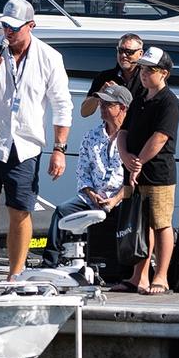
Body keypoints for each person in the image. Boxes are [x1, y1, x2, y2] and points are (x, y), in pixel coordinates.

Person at [0, 0, 72, 279]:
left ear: (31, 26)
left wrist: (59, 149)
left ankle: (16, 271)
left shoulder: (49, 57)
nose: (7, 32)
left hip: (25, 143)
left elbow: (62, 105)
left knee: (19, 208)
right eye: (4, 26)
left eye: (13, 27)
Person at [42, 83, 129, 267]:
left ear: (122, 108)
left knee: (129, 216)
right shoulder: (91, 136)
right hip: (92, 197)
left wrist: (114, 200)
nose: (102, 108)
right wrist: (91, 193)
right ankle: (49, 263)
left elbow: (134, 178)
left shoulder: (132, 137)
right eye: (101, 104)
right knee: (61, 212)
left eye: (108, 104)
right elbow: (83, 171)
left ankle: (121, 268)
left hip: (122, 199)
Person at [119, 47, 179, 295]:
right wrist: (126, 157)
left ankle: (162, 276)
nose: (144, 74)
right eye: (142, 68)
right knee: (138, 224)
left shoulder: (169, 102)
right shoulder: (139, 99)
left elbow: (161, 137)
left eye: (150, 69)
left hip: (158, 173)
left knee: (160, 223)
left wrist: (139, 161)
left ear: (163, 73)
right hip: (133, 170)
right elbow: (123, 132)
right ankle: (138, 276)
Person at [80, 34, 144, 118]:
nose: (124, 55)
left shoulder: (147, 78)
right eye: (120, 51)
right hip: (111, 129)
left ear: (140, 54)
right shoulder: (105, 77)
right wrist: (100, 94)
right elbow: (84, 112)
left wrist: (120, 95)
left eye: (129, 52)